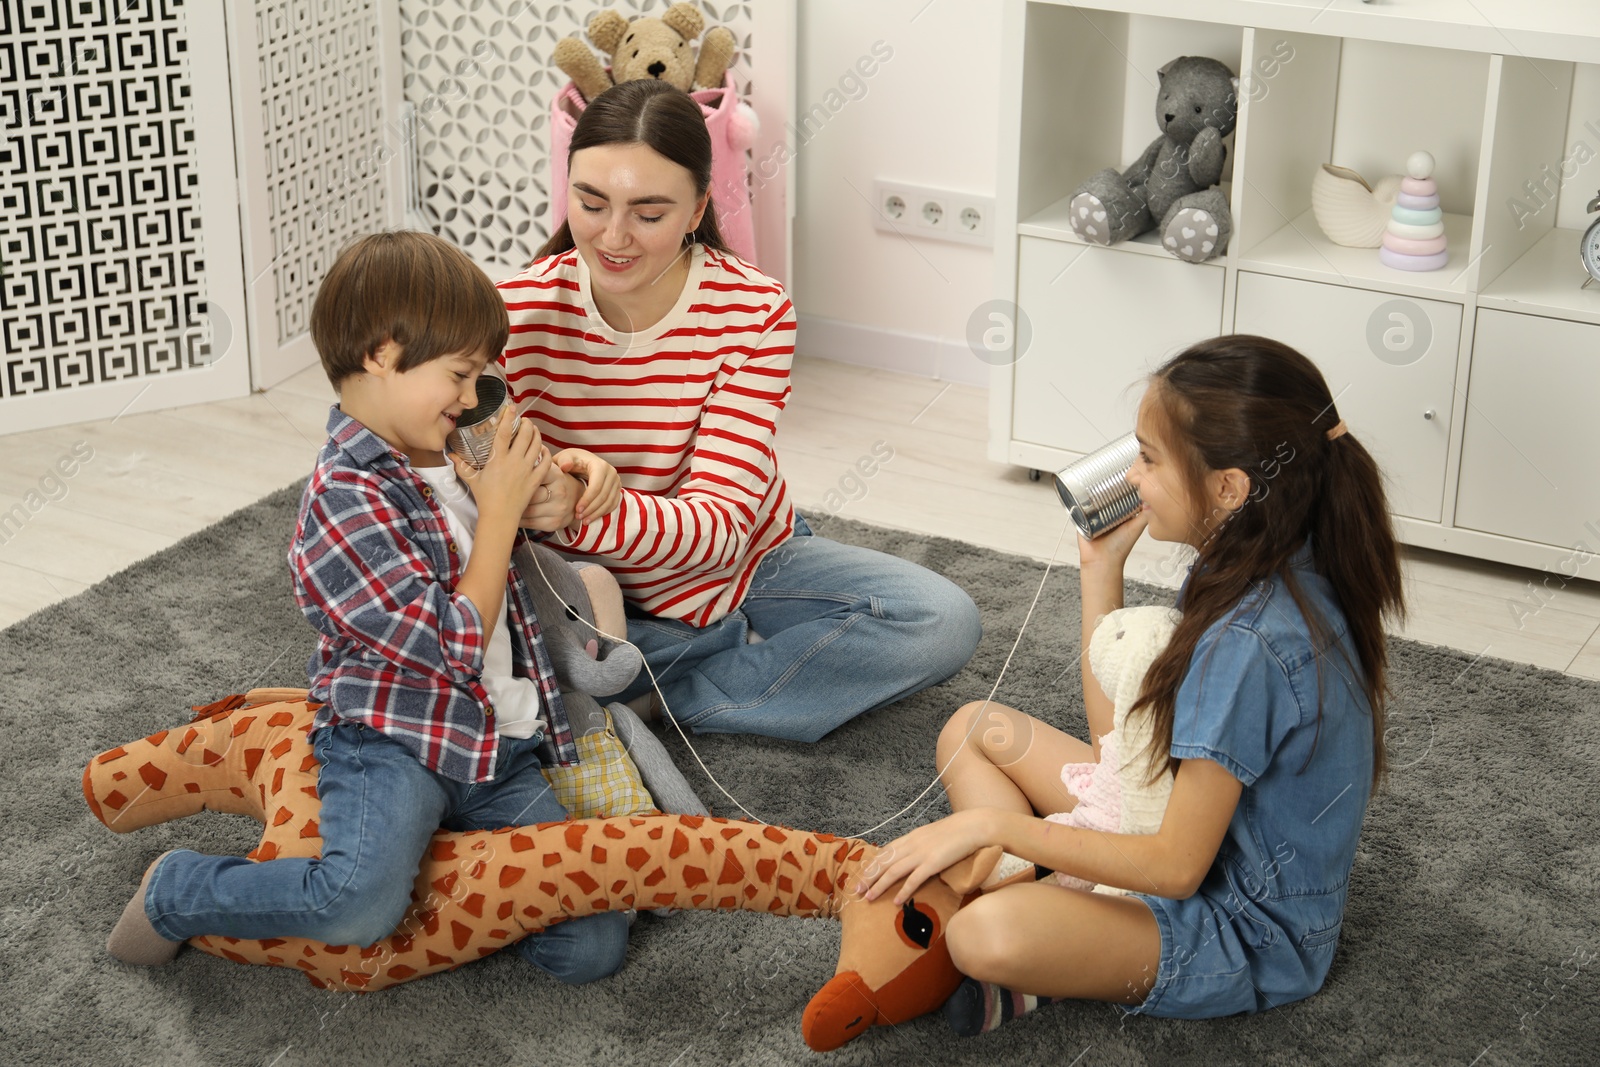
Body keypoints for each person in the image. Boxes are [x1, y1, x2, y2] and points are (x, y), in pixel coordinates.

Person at [106, 231, 632, 984]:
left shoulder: (456, 452)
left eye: (483, 372)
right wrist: (497, 516)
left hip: (495, 743)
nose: (474, 392)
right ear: (383, 354)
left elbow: (532, 534)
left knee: (590, 945)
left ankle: (436, 863)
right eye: (460, 372)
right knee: (357, 905)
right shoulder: (343, 500)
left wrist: (560, 487)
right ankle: (181, 890)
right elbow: (451, 642)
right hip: (394, 742)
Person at [856, 335, 1404, 1033]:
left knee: (982, 934)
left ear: (1229, 488)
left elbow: (1176, 867)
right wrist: (1100, 573)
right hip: (1180, 816)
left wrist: (994, 826)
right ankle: (1049, 884)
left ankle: (1038, 913)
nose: (1133, 478)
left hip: (1239, 923)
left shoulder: (1251, 643)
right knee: (973, 727)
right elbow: (1125, 753)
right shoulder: (1257, 557)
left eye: (1148, 458)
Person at [496, 79, 982, 742]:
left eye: (648, 212)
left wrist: (578, 506)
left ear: (697, 207)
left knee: (939, 620)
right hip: (579, 585)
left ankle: (665, 696)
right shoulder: (512, 313)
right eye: (590, 201)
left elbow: (719, 529)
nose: (613, 236)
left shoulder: (754, 312)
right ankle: (705, 656)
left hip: (738, 563)